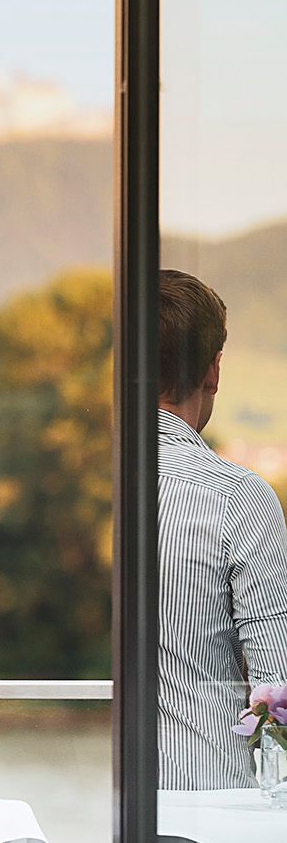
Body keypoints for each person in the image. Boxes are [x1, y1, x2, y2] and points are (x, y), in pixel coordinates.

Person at [155, 269, 287, 789]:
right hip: (208, 801)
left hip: (86, 822)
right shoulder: (237, 498)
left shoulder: (80, 484)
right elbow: (275, 684)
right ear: (213, 370)